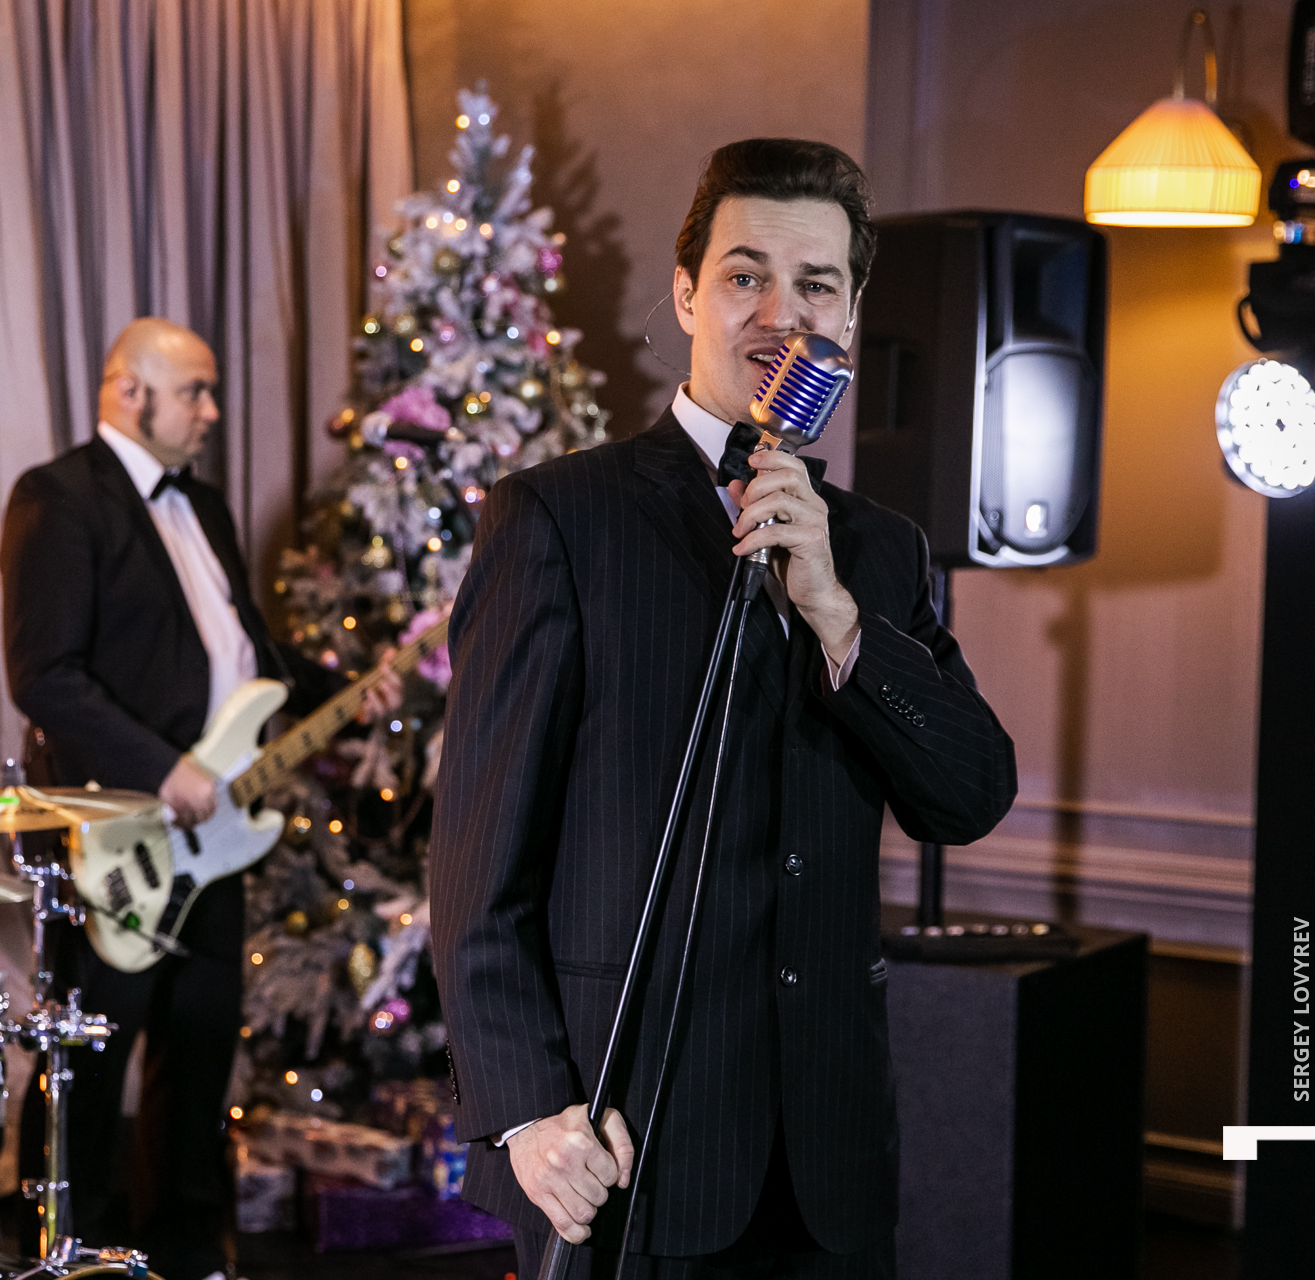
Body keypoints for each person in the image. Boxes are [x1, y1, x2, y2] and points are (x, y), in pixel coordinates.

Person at [430, 139, 1018, 1279]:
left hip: (828, 1164)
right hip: (624, 1142)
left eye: (817, 285)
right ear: (688, 291)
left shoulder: (880, 551)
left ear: (851, 313)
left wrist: (840, 620)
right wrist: (528, 1112)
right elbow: (476, 869)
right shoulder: (560, 519)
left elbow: (970, 794)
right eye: (747, 276)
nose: (782, 315)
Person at [0, 317, 399, 1280]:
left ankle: (184, 1255)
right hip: (113, 834)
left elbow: (245, 652)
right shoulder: (59, 497)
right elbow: (45, 676)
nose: (213, 411)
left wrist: (343, 691)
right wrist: (161, 767)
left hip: (213, 835)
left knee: (199, 1050)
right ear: (129, 392)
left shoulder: (205, 506)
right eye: (196, 392)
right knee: (90, 1059)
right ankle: (65, 1256)